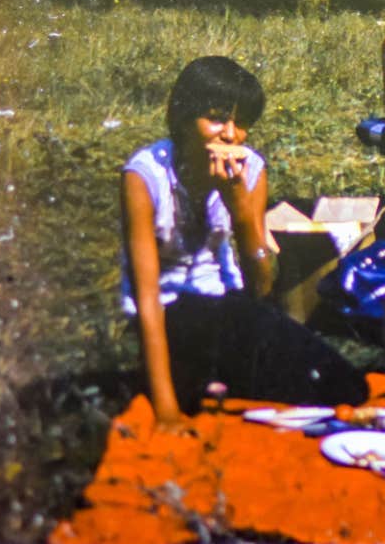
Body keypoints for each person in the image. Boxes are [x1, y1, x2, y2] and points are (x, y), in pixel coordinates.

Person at [120, 56, 366, 431]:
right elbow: (147, 295)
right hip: (169, 310)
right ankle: (191, 384)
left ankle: (214, 381)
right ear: (185, 119)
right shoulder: (145, 176)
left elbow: (261, 285)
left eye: (242, 123)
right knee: (287, 364)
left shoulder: (250, 170)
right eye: (216, 118)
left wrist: (240, 212)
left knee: (345, 386)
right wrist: (165, 410)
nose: (230, 134)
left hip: (227, 303)